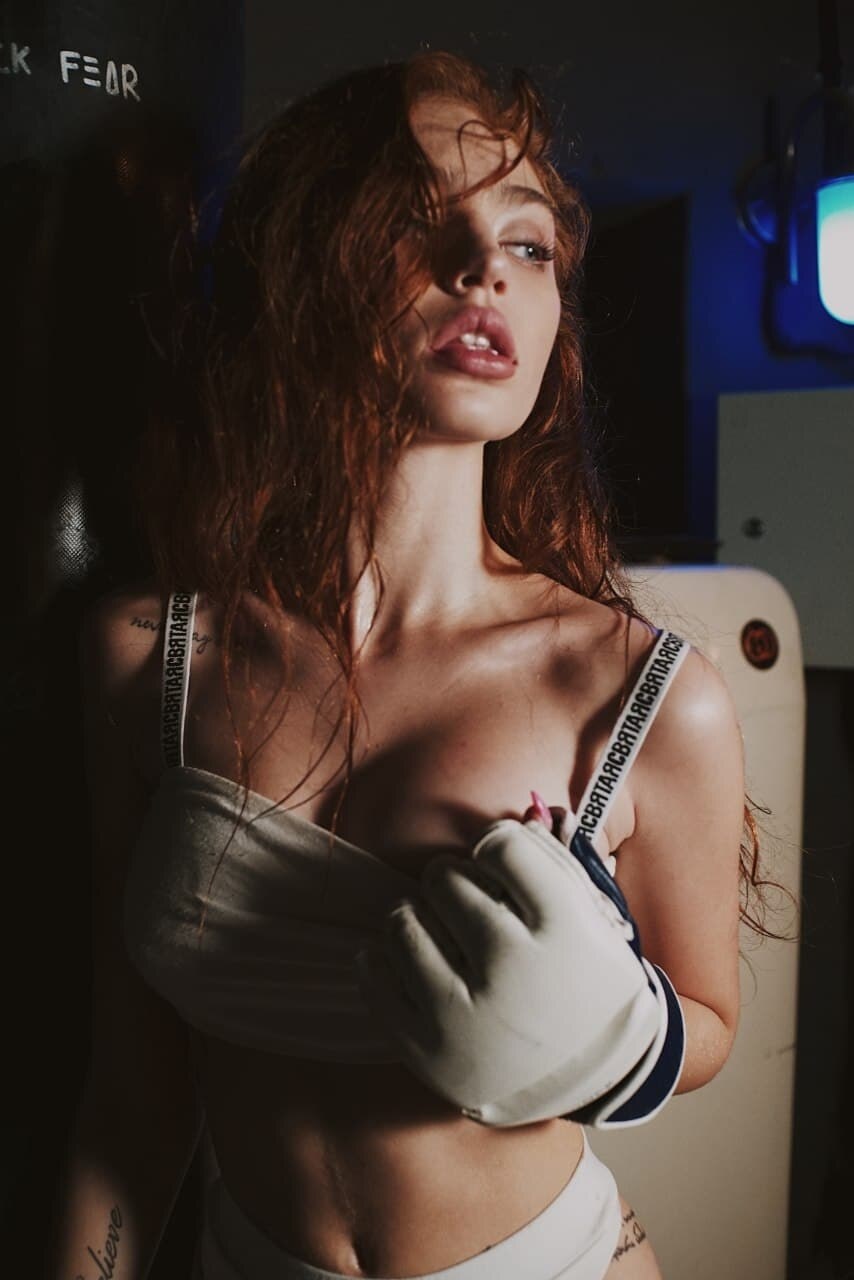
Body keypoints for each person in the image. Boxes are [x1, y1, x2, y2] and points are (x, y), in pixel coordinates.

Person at [50, 49, 749, 1280]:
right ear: (302, 265)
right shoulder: (148, 662)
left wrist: (618, 1032)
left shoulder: (636, 691)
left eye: (527, 243)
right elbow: (131, 1094)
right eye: (416, 223)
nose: (484, 267)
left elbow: (710, 1022)